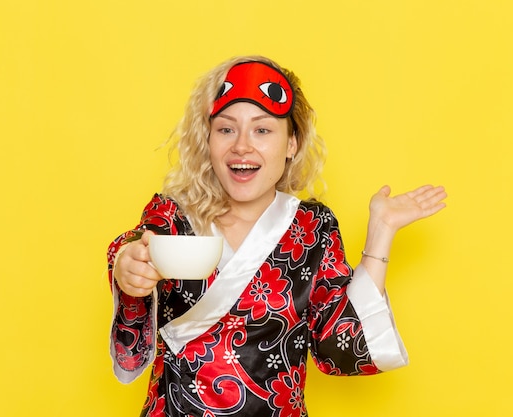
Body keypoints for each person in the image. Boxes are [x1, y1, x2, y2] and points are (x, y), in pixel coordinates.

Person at [106, 56, 447, 417]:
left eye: (262, 130)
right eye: (226, 129)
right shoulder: (172, 215)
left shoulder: (312, 227)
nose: (241, 146)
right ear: (208, 140)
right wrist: (127, 269)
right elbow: (135, 250)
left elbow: (339, 347)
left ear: (292, 144)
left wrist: (382, 231)